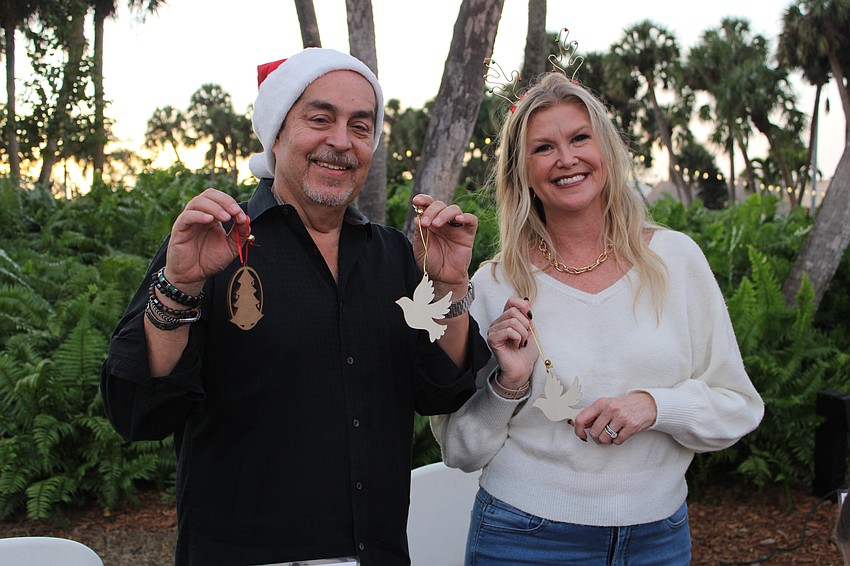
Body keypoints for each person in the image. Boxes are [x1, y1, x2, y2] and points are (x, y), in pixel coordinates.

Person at [101, 47, 489, 566]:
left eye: (360, 126)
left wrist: (449, 288)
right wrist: (178, 288)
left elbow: (442, 389)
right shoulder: (211, 247)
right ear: (278, 133)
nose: (340, 142)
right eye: (320, 118)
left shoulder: (395, 255)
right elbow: (138, 412)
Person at [430, 71, 765, 565]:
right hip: (523, 539)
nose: (567, 159)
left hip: (658, 540)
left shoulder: (677, 260)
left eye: (580, 138)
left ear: (607, 149)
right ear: (521, 171)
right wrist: (508, 387)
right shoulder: (494, 285)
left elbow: (738, 405)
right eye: (543, 148)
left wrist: (655, 406)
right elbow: (459, 450)